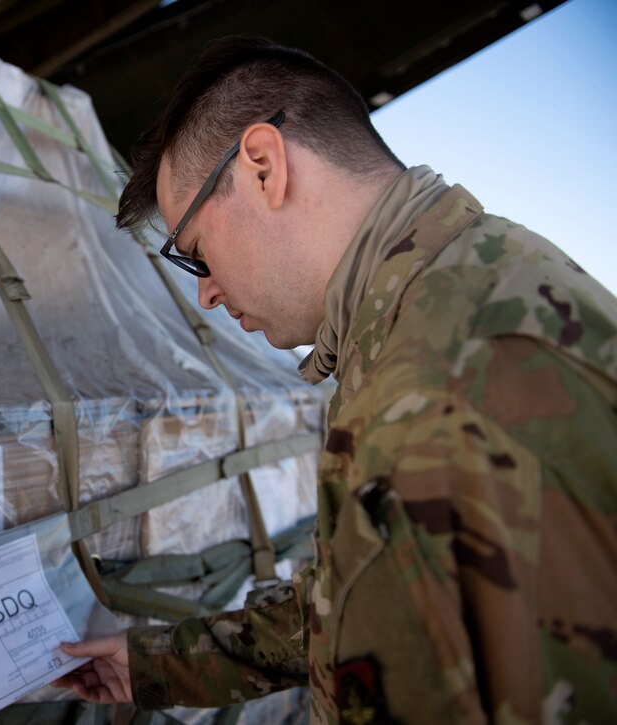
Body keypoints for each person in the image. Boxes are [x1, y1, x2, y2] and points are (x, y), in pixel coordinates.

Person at [52, 35, 617, 723]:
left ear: (263, 166)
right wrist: (155, 664)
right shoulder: (426, 317)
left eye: (195, 253)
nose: (205, 294)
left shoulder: (460, 371)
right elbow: (367, 604)